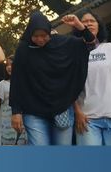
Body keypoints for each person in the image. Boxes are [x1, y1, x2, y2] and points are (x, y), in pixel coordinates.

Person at [9, 12, 93, 146]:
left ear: (50, 32)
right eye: (36, 36)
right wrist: (16, 111)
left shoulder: (63, 43)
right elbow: (17, 81)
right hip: (33, 110)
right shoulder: (24, 50)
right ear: (29, 34)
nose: (40, 39)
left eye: (44, 35)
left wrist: (79, 26)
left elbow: (89, 43)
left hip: (62, 108)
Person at [75, 11, 111, 146]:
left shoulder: (110, 47)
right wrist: (77, 111)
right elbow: (69, 85)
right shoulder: (73, 51)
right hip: (87, 118)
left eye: (92, 21)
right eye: (84, 21)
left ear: (99, 25)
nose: (88, 23)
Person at [0, 56, 26, 145]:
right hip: (6, 125)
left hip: (23, 124)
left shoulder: (26, 83)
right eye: (7, 65)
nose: (9, 67)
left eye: (12, 64)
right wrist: (1, 117)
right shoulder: (2, 84)